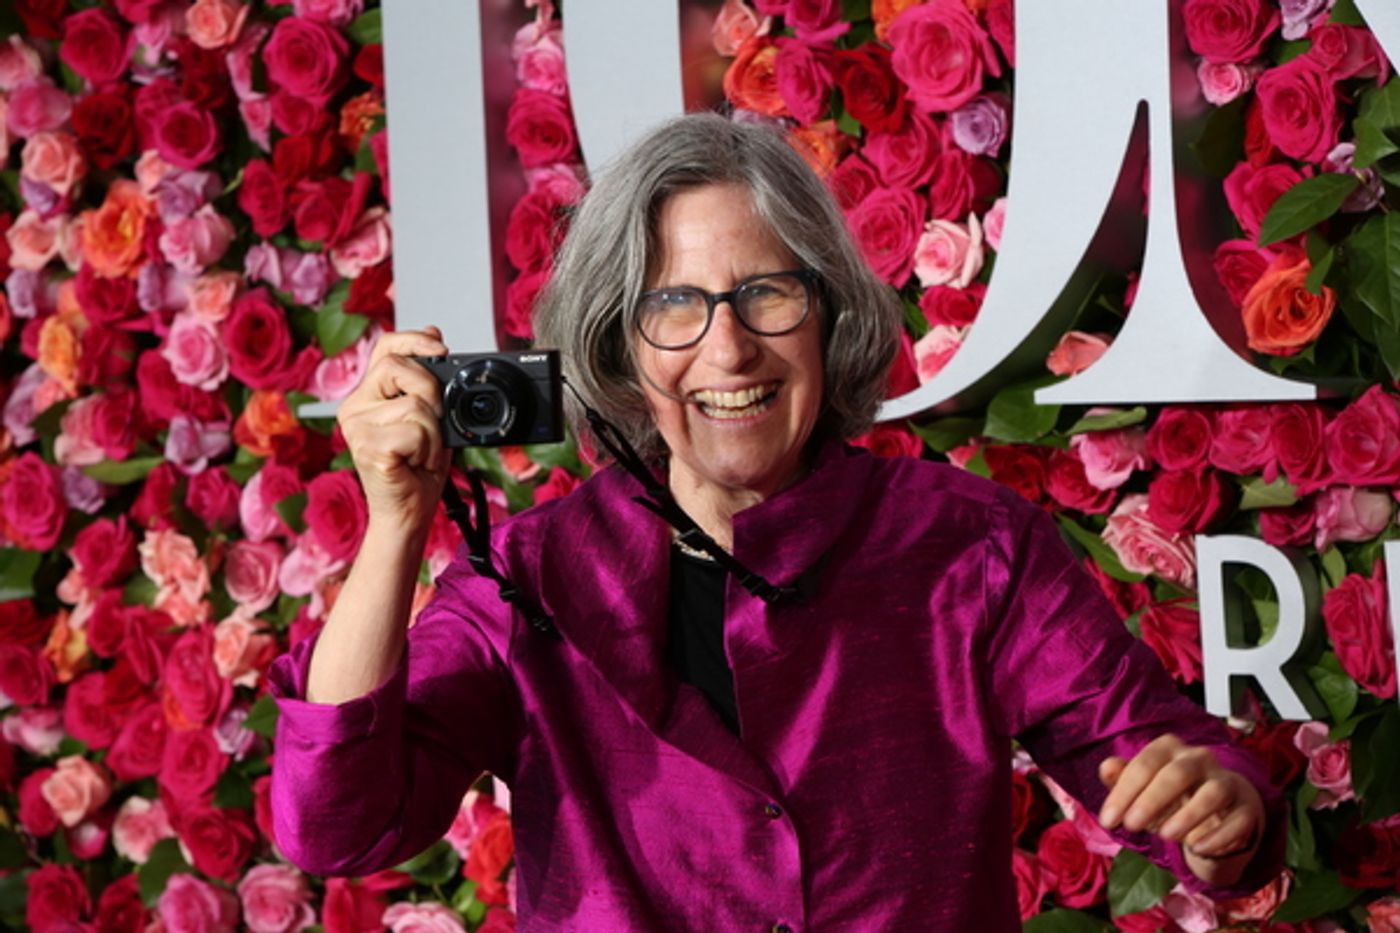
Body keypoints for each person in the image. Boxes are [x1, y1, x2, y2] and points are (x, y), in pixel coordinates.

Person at [269, 113, 1282, 930]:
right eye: (674, 306)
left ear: (830, 313)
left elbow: (1161, 763)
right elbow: (336, 828)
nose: (728, 352)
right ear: (619, 350)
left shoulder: (967, 547)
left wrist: (1215, 817)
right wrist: (394, 526)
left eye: (766, 296)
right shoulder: (526, 579)